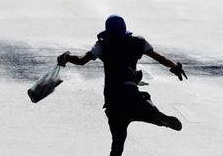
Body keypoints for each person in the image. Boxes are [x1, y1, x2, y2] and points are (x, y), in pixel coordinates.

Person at [57, 15, 187, 156]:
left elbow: (81, 60)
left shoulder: (102, 45)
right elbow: (161, 58)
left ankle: (154, 119)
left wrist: (67, 57)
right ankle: (158, 117)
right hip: (132, 95)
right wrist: (174, 67)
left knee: (117, 145)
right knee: (146, 103)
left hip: (113, 100)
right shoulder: (139, 42)